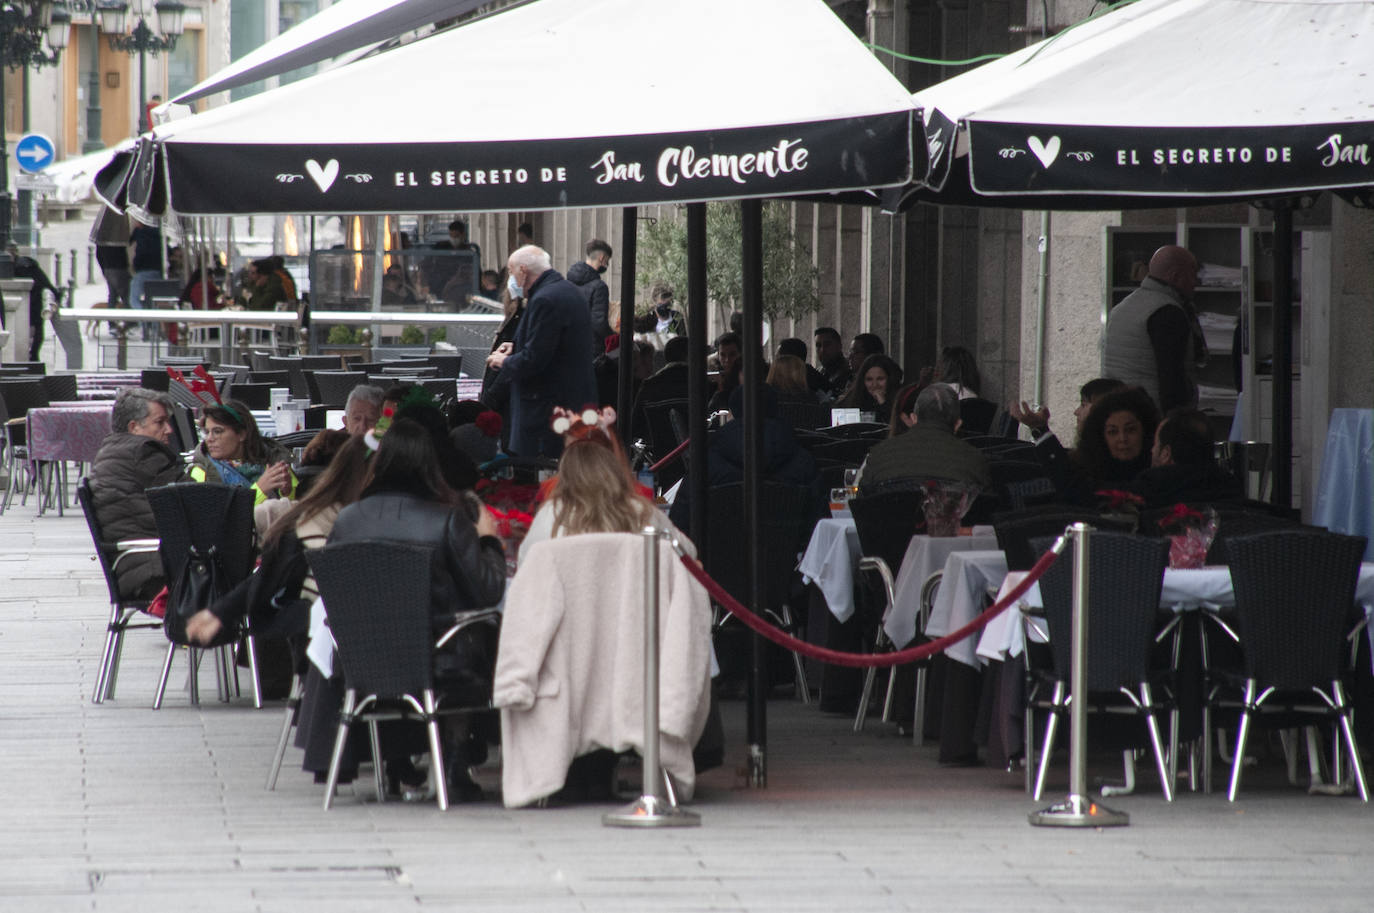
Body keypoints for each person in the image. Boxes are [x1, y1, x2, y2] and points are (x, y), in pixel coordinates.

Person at [327, 418, 506, 799]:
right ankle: (456, 762)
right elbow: (488, 591)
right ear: (431, 465)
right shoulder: (448, 520)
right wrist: (489, 541)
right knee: (481, 631)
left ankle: (396, 761)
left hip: (362, 662)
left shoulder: (346, 521)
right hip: (438, 662)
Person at [183, 434, 372, 647]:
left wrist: (220, 611)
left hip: (326, 637)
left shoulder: (311, 517)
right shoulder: (312, 518)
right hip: (338, 638)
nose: (211, 438)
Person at [484, 245, 596, 458]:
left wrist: (503, 361)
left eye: (510, 271)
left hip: (546, 417)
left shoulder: (545, 299)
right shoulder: (567, 290)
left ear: (523, 271)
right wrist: (515, 346)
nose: (509, 278)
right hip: (568, 407)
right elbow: (554, 344)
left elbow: (534, 359)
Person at [88, 388, 189, 600]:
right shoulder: (143, 452)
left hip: (134, 565)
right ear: (134, 427)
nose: (169, 429)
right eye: (160, 422)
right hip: (155, 570)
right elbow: (196, 499)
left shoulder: (112, 450)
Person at [1103, 244, 1205, 413]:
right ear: (1176, 276)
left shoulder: (1123, 306)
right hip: (1152, 415)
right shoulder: (1167, 311)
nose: (1196, 282)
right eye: (1193, 274)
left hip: (1122, 412)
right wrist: (1175, 424)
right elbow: (1172, 380)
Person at [857, 383, 991, 496]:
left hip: (893, 526)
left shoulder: (879, 454)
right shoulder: (975, 460)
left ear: (914, 419)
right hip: (949, 526)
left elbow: (862, 506)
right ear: (957, 424)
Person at [1064, 386, 1161, 504]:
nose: (1122, 439)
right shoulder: (1087, 471)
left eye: (1130, 430)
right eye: (1113, 432)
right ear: (1101, 436)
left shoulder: (1157, 473)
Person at [1128, 408, 1243, 507]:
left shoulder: (1147, 490)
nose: (1152, 450)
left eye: (1156, 444)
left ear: (1166, 454)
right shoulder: (1231, 489)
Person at [189, 400, 295, 505]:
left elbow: (299, 507)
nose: (209, 439)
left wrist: (287, 492)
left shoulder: (275, 458)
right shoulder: (202, 471)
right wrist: (260, 490)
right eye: (207, 432)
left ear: (241, 434)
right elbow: (210, 518)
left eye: (217, 431)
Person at [8, 243, 64, 361]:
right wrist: (56, 294)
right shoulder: (28, 263)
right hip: (35, 300)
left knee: (33, 328)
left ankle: (33, 355)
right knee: (37, 328)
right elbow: (44, 281)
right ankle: (34, 355)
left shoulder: (20, 266)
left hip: (29, 302)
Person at [566, 239, 613, 353]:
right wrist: (613, 336)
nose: (607, 264)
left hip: (570, 344)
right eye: (607, 260)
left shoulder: (568, 281)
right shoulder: (599, 287)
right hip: (591, 347)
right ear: (602, 257)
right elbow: (599, 323)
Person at [838, 353, 903, 425]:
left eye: (880, 379)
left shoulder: (901, 401)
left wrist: (883, 403)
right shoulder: (853, 400)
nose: (874, 385)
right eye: (869, 379)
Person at [813, 327, 851, 400]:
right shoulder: (818, 373)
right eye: (818, 345)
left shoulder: (850, 372)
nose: (822, 350)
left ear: (839, 346)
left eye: (827, 345)